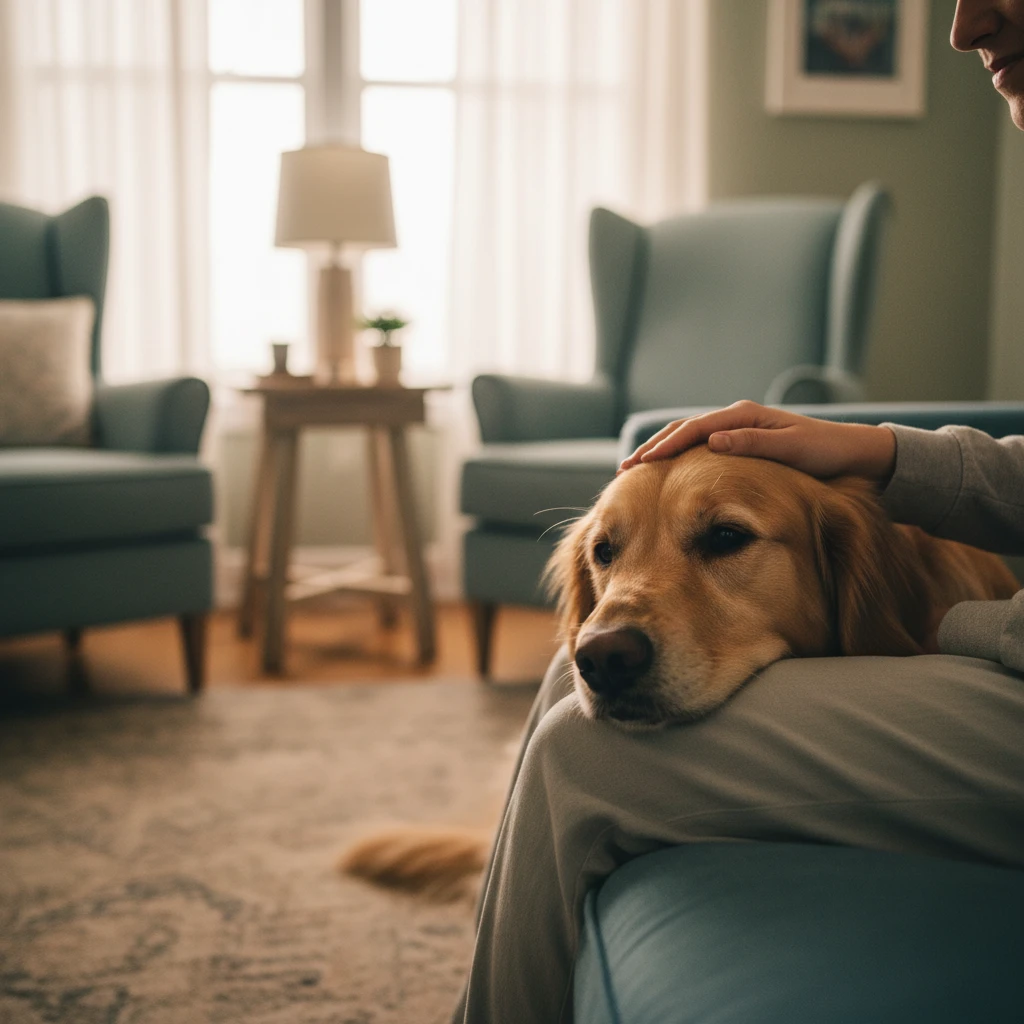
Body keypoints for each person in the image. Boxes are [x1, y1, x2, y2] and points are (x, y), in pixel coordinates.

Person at [453, 2, 1024, 1021]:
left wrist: (946, 626)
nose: (962, 23)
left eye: (722, 542)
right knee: (565, 674)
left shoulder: (877, 578)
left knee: (581, 755)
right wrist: (881, 451)